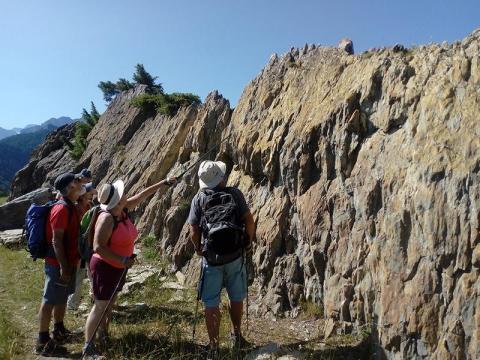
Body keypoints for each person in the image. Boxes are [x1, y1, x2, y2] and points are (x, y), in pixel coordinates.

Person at [82, 176, 176, 359]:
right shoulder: (107, 219)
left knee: (109, 305)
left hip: (118, 267)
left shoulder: (121, 210)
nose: (126, 194)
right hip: (105, 267)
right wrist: (122, 260)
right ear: (117, 200)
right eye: (122, 194)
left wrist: (163, 182)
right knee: (100, 306)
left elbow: (142, 195)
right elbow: (98, 247)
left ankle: (103, 335)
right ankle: (88, 348)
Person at [188, 160, 255, 358]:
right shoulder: (234, 194)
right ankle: (237, 335)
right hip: (235, 254)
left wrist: (198, 248)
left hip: (211, 258)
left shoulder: (198, 198)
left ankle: (214, 347)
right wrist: (247, 242)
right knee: (236, 296)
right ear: (221, 177)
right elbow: (249, 221)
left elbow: (193, 230)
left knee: (211, 303)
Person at [35, 172, 83, 356]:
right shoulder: (62, 209)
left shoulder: (71, 206)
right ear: (69, 188)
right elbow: (56, 240)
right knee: (49, 299)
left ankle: (59, 329)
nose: (79, 184)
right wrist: (64, 266)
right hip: (57, 262)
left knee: (61, 297)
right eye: (75, 182)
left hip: (66, 262)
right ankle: (42, 340)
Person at [67, 182, 97, 311]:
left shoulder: (90, 206)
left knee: (92, 274)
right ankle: (73, 305)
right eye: (90, 193)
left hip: (89, 247)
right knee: (79, 276)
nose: (91, 195)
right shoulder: (76, 209)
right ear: (83, 195)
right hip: (79, 249)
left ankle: (95, 298)